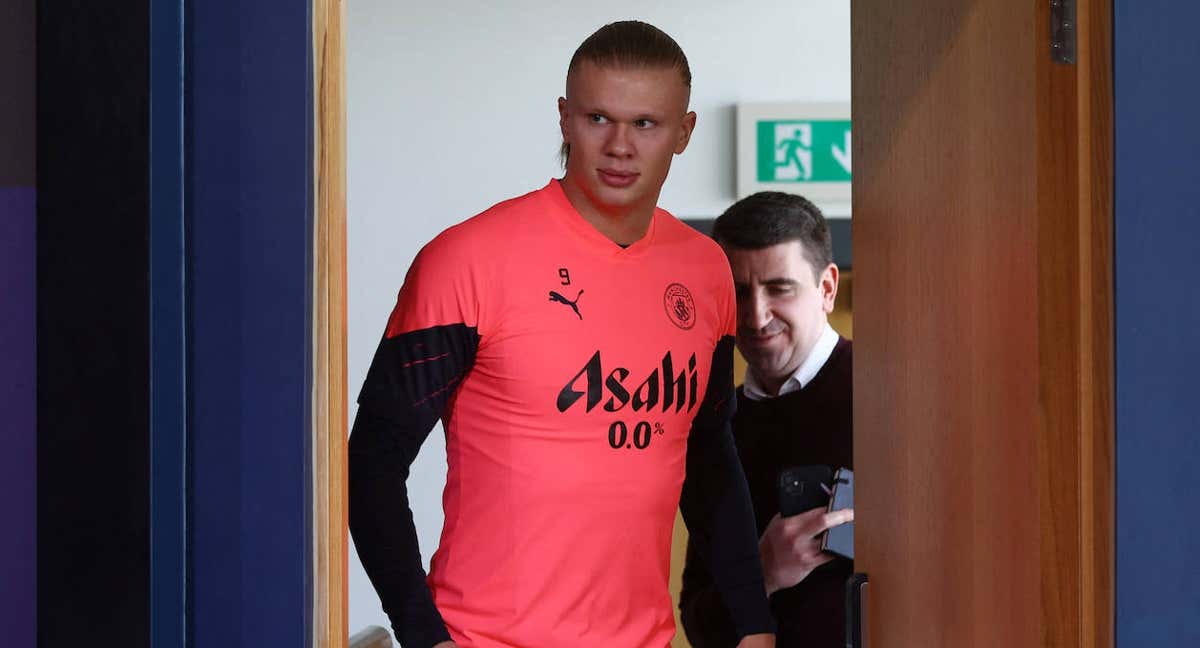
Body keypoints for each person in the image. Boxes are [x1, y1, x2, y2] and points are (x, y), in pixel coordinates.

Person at [349, 21, 775, 648]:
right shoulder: (467, 260)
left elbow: (708, 455)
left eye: (646, 124)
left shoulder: (705, 270)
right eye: (598, 118)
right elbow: (372, 462)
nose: (620, 146)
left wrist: (753, 625)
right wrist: (422, 633)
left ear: (683, 132)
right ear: (564, 119)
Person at [679, 192, 854, 648]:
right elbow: (699, 624)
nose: (756, 316)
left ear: (827, 289)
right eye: (738, 291)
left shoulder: (898, 400)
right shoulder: (715, 427)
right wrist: (763, 572)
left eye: (780, 288)